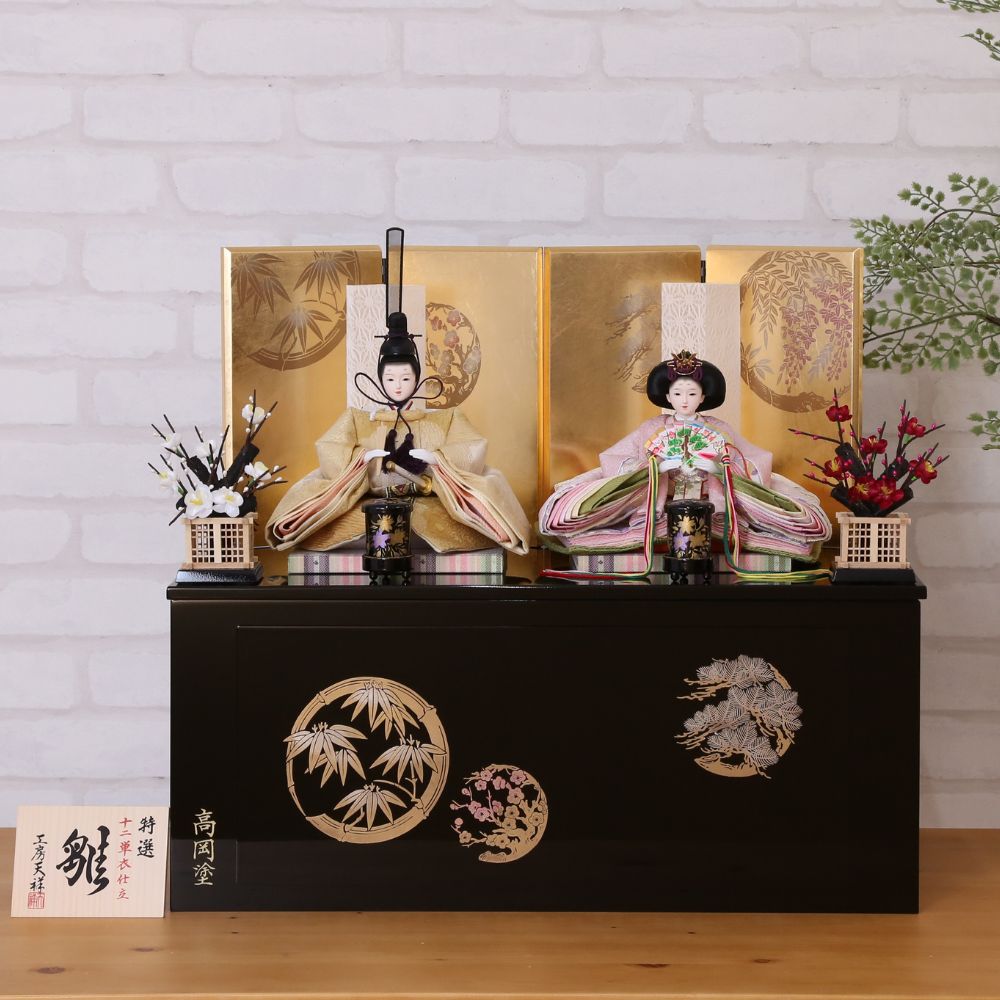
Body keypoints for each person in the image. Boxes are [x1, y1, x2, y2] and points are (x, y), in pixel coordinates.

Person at [266, 316, 531, 556]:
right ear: (381, 380)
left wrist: (438, 458)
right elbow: (330, 447)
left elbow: (471, 446)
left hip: (431, 499)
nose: (398, 386)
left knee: (465, 518)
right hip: (370, 500)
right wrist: (361, 458)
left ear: (416, 378)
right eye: (390, 379)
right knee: (343, 522)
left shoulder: (446, 417)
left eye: (405, 378)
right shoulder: (358, 418)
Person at [538, 351, 831, 561]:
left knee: (784, 512)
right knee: (583, 506)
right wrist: (656, 467)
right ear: (667, 397)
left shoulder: (718, 428)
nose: (685, 400)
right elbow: (616, 459)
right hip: (659, 496)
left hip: (708, 497)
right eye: (678, 394)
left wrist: (717, 469)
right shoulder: (653, 428)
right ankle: (645, 523)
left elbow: (753, 460)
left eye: (692, 394)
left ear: (703, 397)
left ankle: (724, 521)